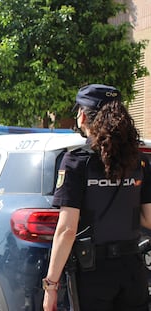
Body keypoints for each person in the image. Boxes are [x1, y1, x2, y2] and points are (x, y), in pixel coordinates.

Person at [42, 84, 151, 311]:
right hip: (133, 268)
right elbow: (148, 219)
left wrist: (51, 285)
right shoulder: (139, 161)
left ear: (83, 115)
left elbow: (66, 230)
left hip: (93, 273)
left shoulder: (76, 161)